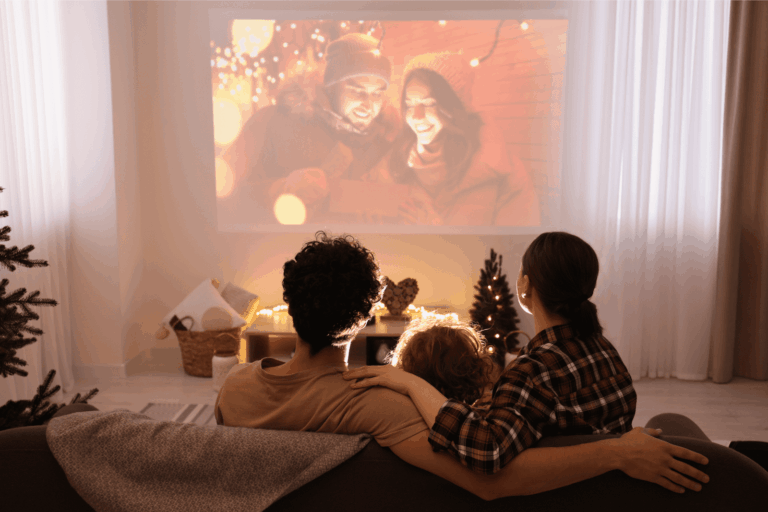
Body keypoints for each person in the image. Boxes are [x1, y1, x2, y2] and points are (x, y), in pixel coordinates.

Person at [215, 231, 710, 498]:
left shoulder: (233, 391)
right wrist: (615, 451)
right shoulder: (380, 406)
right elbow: (489, 479)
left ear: (291, 304)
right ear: (367, 316)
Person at [345, 232, 641, 475]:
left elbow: (487, 452)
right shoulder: (603, 348)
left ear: (525, 285)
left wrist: (411, 383)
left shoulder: (531, 373)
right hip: (610, 489)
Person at [221, 33, 400, 224]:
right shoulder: (271, 122)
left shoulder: (386, 143)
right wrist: (278, 190)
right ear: (331, 85)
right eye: (357, 91)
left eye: (377, 94)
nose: (368, 104)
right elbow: (216, 199)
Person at [366, 53, 540, 226]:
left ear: (454, 106)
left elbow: (515, 249)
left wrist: (436, 236)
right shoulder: (391, 167)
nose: (417, 116)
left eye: (430, 103)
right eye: (410, 104)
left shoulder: (504, 175)